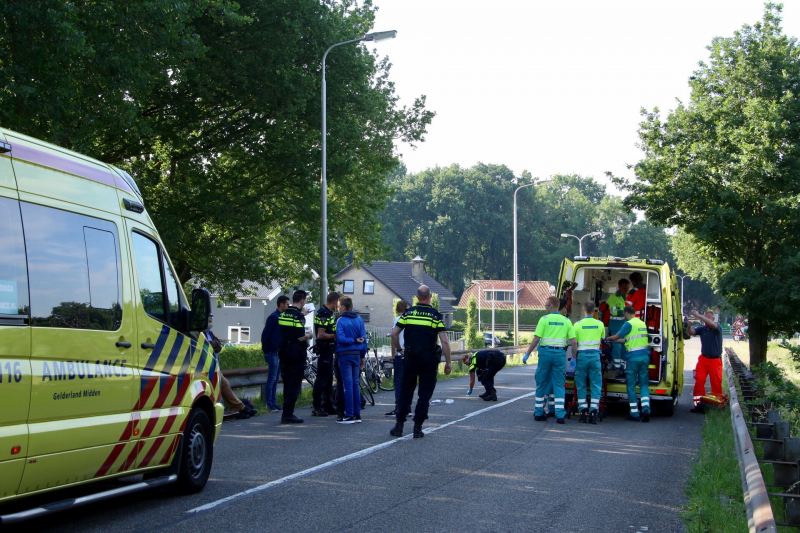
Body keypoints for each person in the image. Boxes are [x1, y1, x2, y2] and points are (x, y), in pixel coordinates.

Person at [389, 285, 452, 439]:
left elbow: (394, 334)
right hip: (429, 359)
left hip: (410, 358)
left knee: (406, 390)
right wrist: (448, 362)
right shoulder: (435, 316)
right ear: (430, 296)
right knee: (424, 393)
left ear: (417, 297)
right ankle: (418, 428)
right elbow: (444, 341)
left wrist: (399, 350)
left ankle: (399, 425)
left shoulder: (408, 314)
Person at [523, 296, 577, 424]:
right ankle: (560, 415)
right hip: (559, 354)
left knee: (541, 383)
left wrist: (528, 353)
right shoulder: (566, 321)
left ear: (552, 306)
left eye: (546, 305)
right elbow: (573, 342)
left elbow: (536, 339)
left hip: (546, 354)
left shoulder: (544, 319)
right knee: (559, 384)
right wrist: (574, 358)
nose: (545, 307)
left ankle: (538, 412)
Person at [606, 305, 651, 422]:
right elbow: (628, 340)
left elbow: (616, 337)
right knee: (643, 385)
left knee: (631, 385)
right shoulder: (641, 323)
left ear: (625, 313)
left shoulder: (628, 324)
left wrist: (606, 339)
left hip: (633, 359)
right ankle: (646, 409)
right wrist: (616, 340)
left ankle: (634, 413)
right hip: (645, 357)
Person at [207, 316, 256, 419]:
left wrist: (213, 344)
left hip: (213, 365)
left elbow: (218, 346)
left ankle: (238, 409)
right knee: (224, 384)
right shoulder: (200, 333)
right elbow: (209, 344)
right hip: (206, 365)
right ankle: (241, 408)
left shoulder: (209, 333)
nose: (210, 322)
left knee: (224, 385)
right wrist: (213, 344)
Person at [278, 290, 313, 424]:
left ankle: (285, 412)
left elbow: (287, 330)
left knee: (286, 382)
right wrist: (309, 336)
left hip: (283, 352)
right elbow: (300, 337)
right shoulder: (298, 317)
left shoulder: (283, 314)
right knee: (294, 383)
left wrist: (301, 315)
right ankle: (288, 413)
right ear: (303, 301)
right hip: (296, 353)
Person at [334, 296, 367, 424]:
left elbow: (341, 339)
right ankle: (357, 414)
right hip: (357, 354)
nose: (337, 309)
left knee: (347, 384)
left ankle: (349, 414)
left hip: (344, 354)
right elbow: (364, 340)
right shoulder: (359, 320)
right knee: (355, 384)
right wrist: (362, 355)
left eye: (338, 307)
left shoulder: (341, 320)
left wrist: (352, 341)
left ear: (343, 307)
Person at [574, 301, 605, 424]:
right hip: (595, 357)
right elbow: (602, 339)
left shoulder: (577, 325)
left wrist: (574, 358)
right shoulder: (600, 324)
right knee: (596, 385)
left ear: (583, 309)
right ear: (594, 311)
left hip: (582, 357)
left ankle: (582, 412)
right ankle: (593, 412)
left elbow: (574, 342)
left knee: (581, 384)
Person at [688, 310, 723, 412]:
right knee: (699, 380)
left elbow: (712, 324)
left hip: (715, 360)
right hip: (703, 359)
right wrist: (689, 326)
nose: (705, 320)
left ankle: (716, 406)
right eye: (705, 318)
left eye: (708, 318)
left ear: (713, 319)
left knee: (716, 383)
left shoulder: (717, 328)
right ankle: (698, 406)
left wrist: (699, 315)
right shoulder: (702, 329)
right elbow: (691, 333)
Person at [312, 292, 340, 417]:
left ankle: (328, 404)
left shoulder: (328, 313)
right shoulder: (324, 314)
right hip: (324, 349)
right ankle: (317, 406)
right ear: (335, 302)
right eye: (338, 303)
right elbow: (321, 334)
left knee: (328, 377)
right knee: (322, 378)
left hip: (329, 349)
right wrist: (335, 336)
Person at [261, 295, 289, 411]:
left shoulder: (281, 317)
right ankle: (269, 403)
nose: (288, 306)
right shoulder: (273, 317)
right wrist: (266, 350)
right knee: (272, 378)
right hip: (272, 352)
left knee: (276, 379)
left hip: (278, 352)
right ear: (281, 304)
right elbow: (265, 334)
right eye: (287, 304)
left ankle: (273, 402)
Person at [386, 300, 412, 416]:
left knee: (398, 382)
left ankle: (399, 407)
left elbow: (394, 337)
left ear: (396, 309)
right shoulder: (411, 320)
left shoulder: (398, 320)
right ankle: (408, 407)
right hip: (410, 354)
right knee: (408, 382)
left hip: (400, 354)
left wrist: (394, 352)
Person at [606, 278, 630, 371]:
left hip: (626, 327)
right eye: (624, 288)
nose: (626, 290)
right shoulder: (613, 298)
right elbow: (613, 311)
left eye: (627, 288)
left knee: (625, 347)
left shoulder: (628, 297)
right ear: (619, 287)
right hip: (616, 327)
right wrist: (623, 311)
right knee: (617, 348)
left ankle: (624, 367)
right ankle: (617, 368)